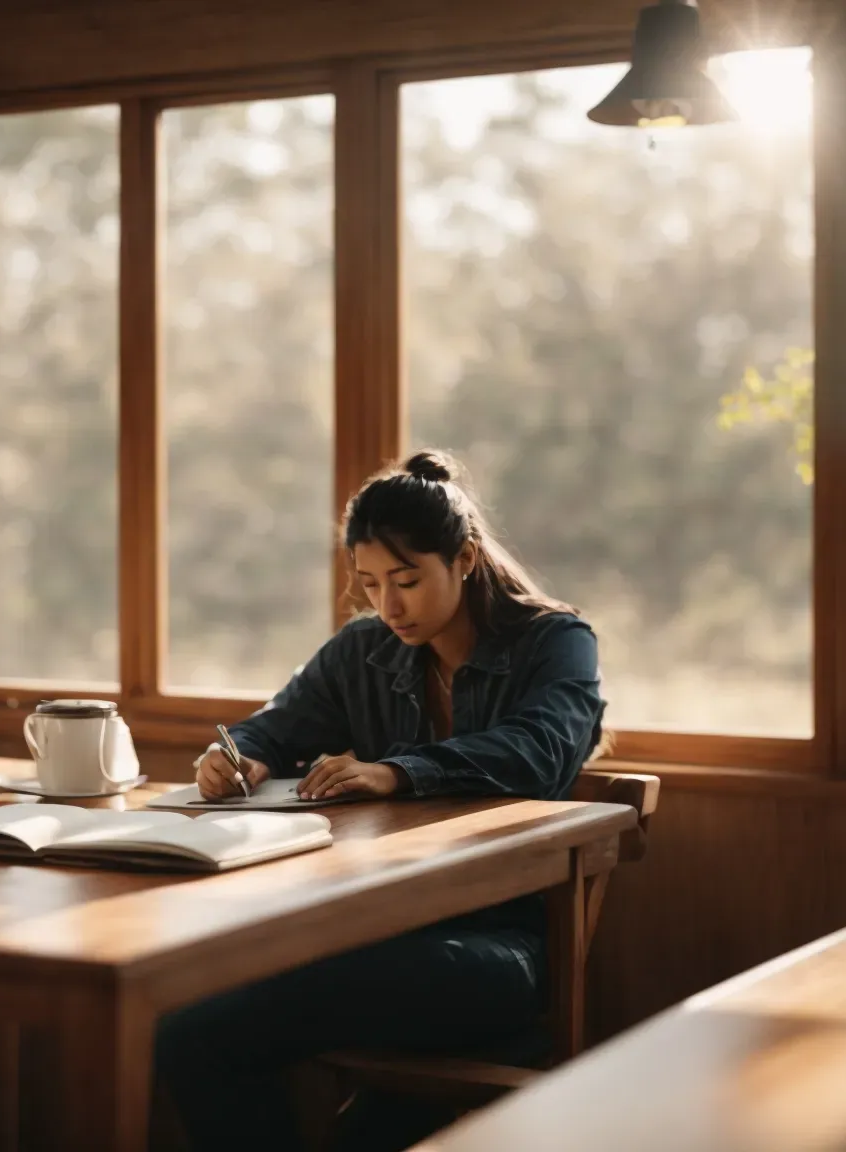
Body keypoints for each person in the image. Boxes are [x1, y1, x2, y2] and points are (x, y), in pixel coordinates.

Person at [154, 450, 610, 1152]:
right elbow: (276, 723)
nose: (387, 606)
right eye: (368, 583)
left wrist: (399, 771)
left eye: (406, 580)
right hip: (372, 937)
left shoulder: (555, 642)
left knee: (207, 1032)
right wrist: (238, 754)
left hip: (500, 955)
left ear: (463, 559)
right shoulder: (363, 649)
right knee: (186, 1028)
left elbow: (541, 751)